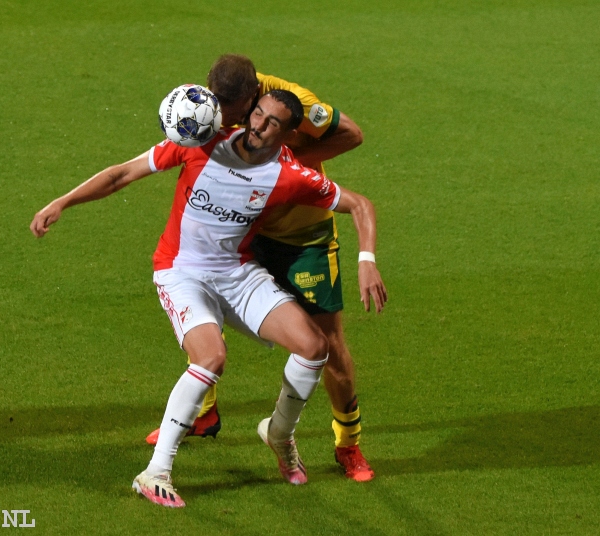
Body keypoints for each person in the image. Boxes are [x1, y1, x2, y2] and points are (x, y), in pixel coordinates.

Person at [30, 90, 387, 508]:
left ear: (290, 133)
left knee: (314, 347)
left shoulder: (290, 174)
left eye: (272, 122)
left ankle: (278, 434)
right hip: (180, 272)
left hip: (236, 274)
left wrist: (366, 260)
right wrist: (64, 201)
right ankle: (156, 471)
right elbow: (121, 175)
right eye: (257, 114)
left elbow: (360, 204)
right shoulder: (202, 142)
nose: (258, 126)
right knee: (211, 357)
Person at [144, 54, 378, 482]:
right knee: (203, 305)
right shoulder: (217, 104)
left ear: (254, 97)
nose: (226, 121)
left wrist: (283, 169)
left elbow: (352, 134)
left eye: (232, 114)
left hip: (302, 237)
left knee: (327, 345)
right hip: (246, 232)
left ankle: (348, 444)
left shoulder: (292, 104)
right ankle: (201, 415)